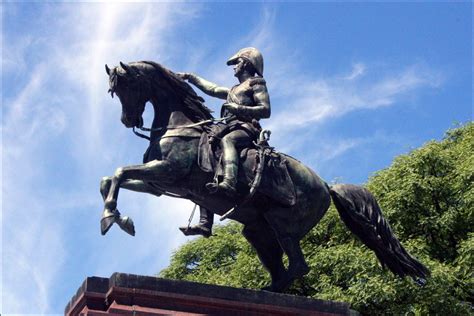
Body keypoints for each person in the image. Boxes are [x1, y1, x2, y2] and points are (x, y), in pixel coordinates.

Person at [177, 47, 271, 237]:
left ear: (245, 63)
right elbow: (211, 89)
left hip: (245, 129)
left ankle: (229, 182)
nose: (234, 67)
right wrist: (190, 77)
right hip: (228, 127)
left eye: (236, 63)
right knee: (203, 155)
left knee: (228, 141)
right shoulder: (232, 90)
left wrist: (238, 107)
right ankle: (205, 223)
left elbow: (265, 110)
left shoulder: (256, 83)